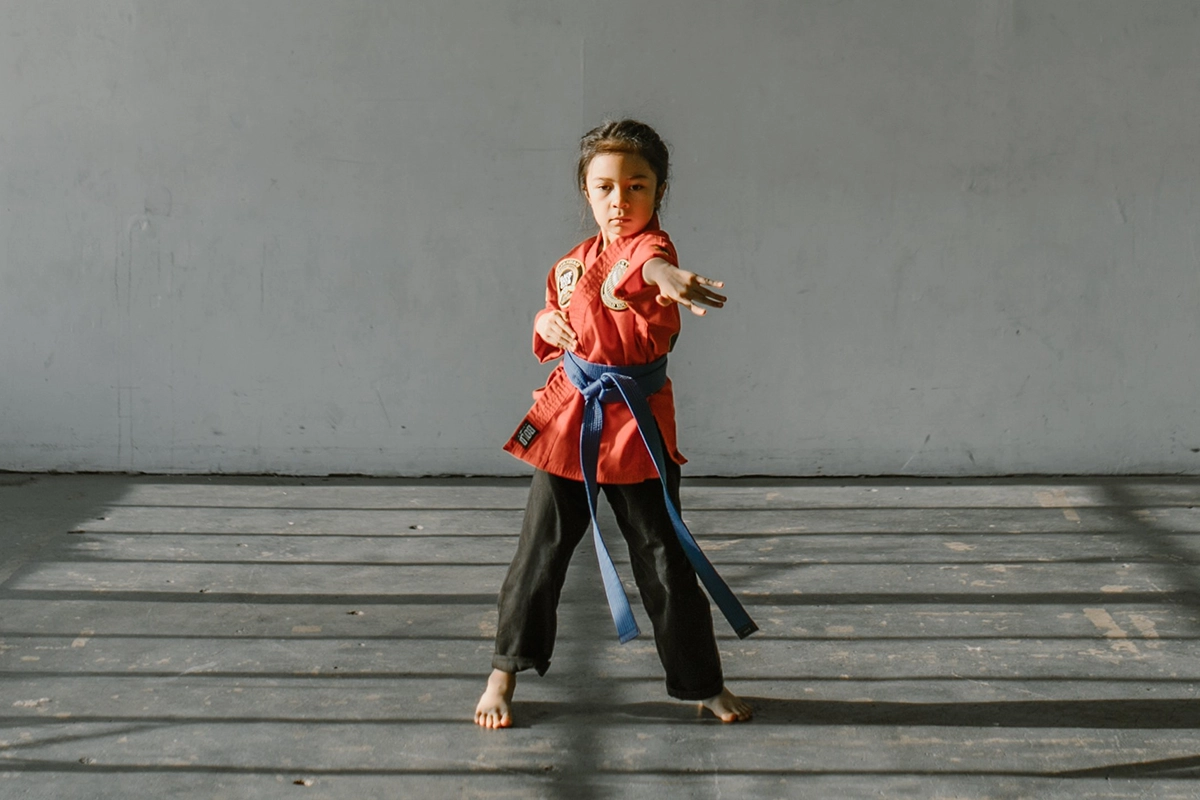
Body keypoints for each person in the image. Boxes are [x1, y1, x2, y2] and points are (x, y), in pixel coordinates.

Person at [474, 119, 754, 729]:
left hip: (635, 430)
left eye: (637, 186)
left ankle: (702, 682)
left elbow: (645, 270)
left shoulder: (656, 252)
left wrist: (670, 280)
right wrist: (545, 323)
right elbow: (559, 311)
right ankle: (503, 671)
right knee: (539, 553)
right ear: (586, 191)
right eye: (605, 187)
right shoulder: (573, 264)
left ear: (658, 192)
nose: (619, 201)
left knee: (662, 557)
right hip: (573, 421)